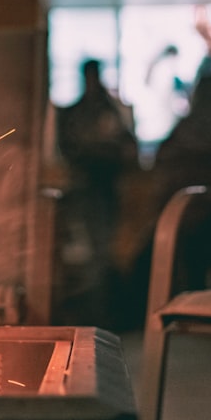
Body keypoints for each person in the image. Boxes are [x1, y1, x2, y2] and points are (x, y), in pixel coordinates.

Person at [54, 59, 138, 327]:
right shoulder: (78, 112)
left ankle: (101, 316)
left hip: (105, 187)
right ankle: (94, 316)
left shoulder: (109, 110)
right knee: (91, 253)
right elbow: (67, 149)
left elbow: (127, 146)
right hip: (85, 187)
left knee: (101, 252)